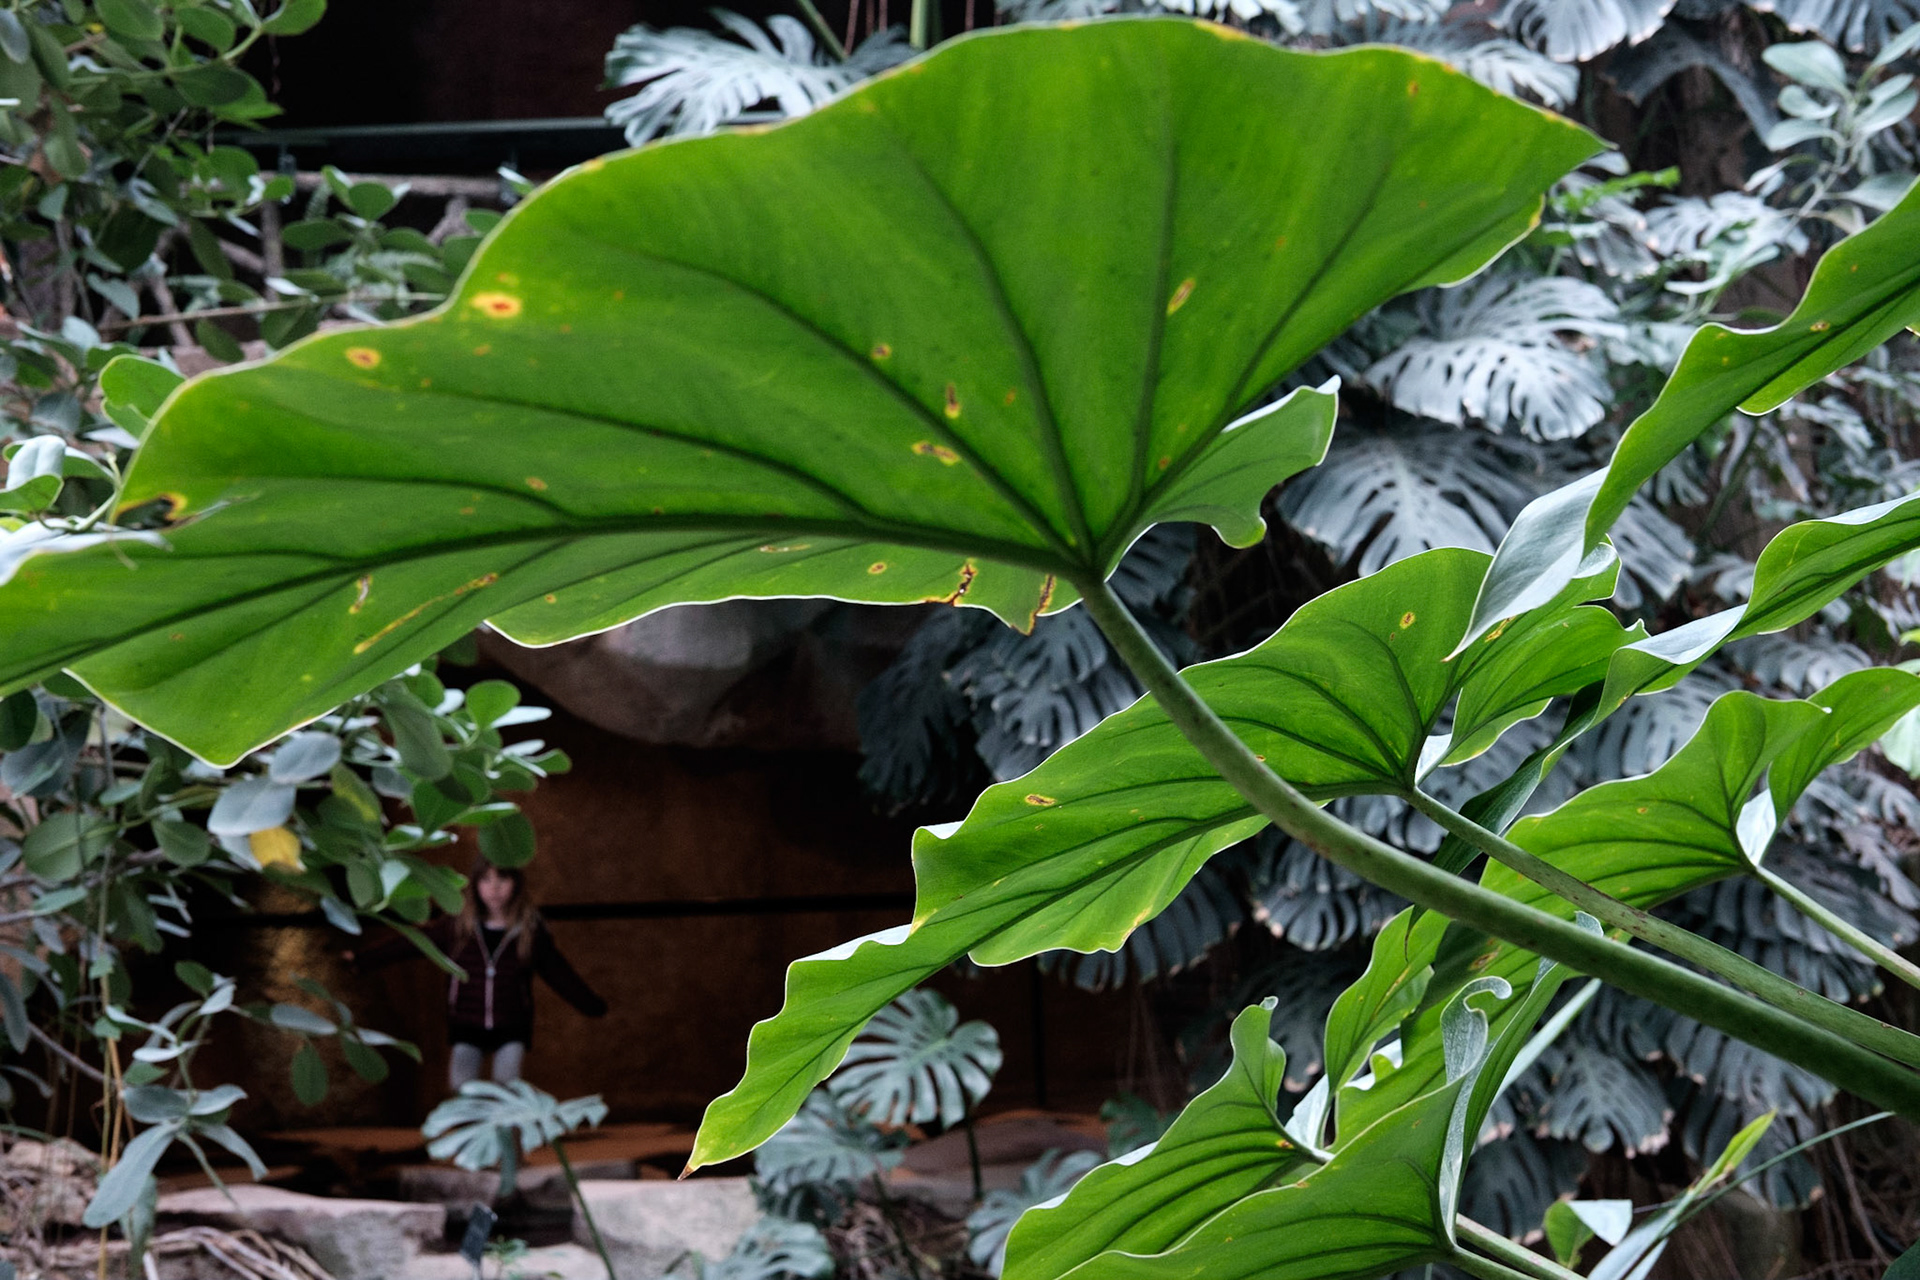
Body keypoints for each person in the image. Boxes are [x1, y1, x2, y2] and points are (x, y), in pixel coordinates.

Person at [351, 859, 608, 1091]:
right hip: (466, 1023)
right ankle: (472, 1143)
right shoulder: (457, 927)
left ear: (516, 884)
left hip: (511, 1025)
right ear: (475, 885)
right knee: (462, 1088)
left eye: (502, 879)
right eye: (486, 880)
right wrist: (362, 960)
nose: (494, 888)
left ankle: (510, 1144)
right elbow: (412, 944)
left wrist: (591, 1005)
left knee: (507, 1088)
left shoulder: (530, 931)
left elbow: (558, 972)